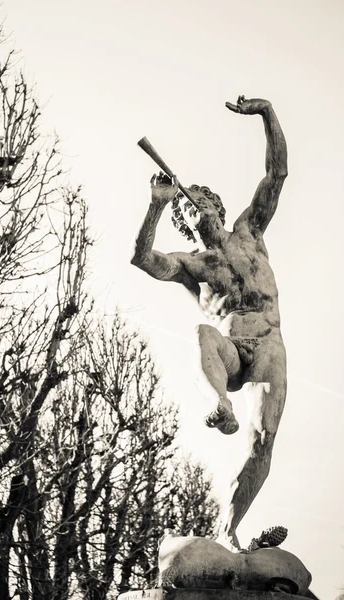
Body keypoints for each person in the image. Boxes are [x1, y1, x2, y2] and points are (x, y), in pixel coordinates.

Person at [131, 96, 288, 546]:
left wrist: (266, 112)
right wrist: (158, 205)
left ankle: (231, 530)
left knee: (263, 442)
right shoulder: (193, 265)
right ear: (184, 224)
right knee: (202, 331)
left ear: (215, 204)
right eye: (185, 209)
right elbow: (143, 258)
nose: (193, 208)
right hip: (229, 352)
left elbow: (276, 174)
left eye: (196, 200)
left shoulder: (250, 231)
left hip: (269, 347)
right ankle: (221, 404)